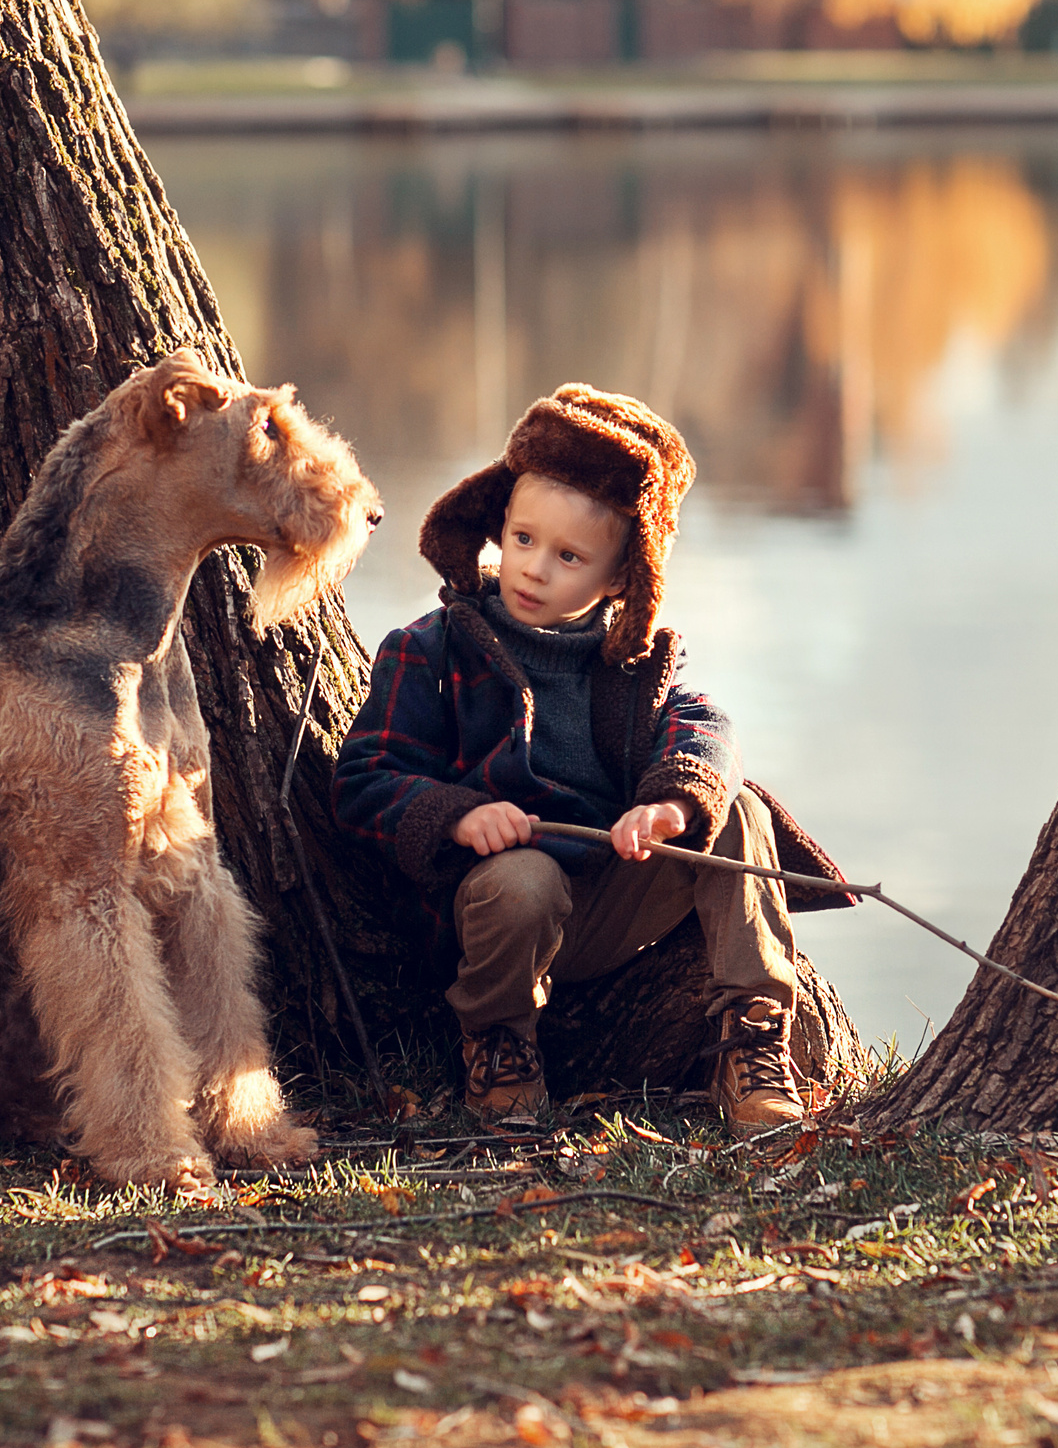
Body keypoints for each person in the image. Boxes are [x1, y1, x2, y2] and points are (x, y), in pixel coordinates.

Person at [334, 385, 848, 1133]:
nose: (535, 569)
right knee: (523, 878)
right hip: (492, 911)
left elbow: (706, 728)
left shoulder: (632, 664)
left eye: (568, 556)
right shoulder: (432, 647)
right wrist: (456, 814)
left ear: (616, 580)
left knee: (735, 807)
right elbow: (363, 777)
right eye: (522, 539)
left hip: (605, 904)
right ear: (498, 529)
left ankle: (751, 1036)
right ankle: (500, 1041)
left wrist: (669, 803)